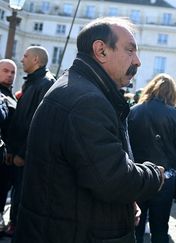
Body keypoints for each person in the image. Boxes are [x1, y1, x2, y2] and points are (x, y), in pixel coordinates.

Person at [14, 17, 165, 243]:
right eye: (130, 50)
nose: (138, 61)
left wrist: (126, 200)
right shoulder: (86, 101)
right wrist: (155, 174)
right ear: (101, 51)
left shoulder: (81, 88)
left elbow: (93, 168)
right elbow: (113, 180)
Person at [128, 73, 176, 243]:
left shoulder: (134, 111)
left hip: (136, 175)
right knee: (160, 228)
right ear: (172, 93)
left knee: (135, 227)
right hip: (165, 176)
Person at [6, 46, 56, 237]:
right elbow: (21, 119)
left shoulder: (45, 83)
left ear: (36, 60)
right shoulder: (33, 82)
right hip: (17, 152)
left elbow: (38, 123)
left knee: (23, 194)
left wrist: (23, 153)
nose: (22, 59)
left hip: (27, 156)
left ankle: (17, 227)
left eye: (25, 56)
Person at [0, 59, 15, 233]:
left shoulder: (10, 95)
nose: (10, 75)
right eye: (6, 71)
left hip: (6, 156)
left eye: (12, 72)